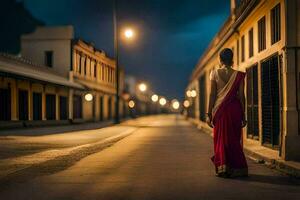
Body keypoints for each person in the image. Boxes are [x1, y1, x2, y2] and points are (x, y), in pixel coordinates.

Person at [206, 48, 248, 178]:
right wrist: (244, 114)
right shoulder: (239, 75)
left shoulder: (214, 73)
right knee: (234, 139)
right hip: (235, 110)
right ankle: (238, 168)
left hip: (220, 111)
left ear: (220, 59)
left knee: (221, 140)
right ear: (232, 59)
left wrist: (208, 113)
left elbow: (212, 94)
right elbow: (242, 96)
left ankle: (223, 167)